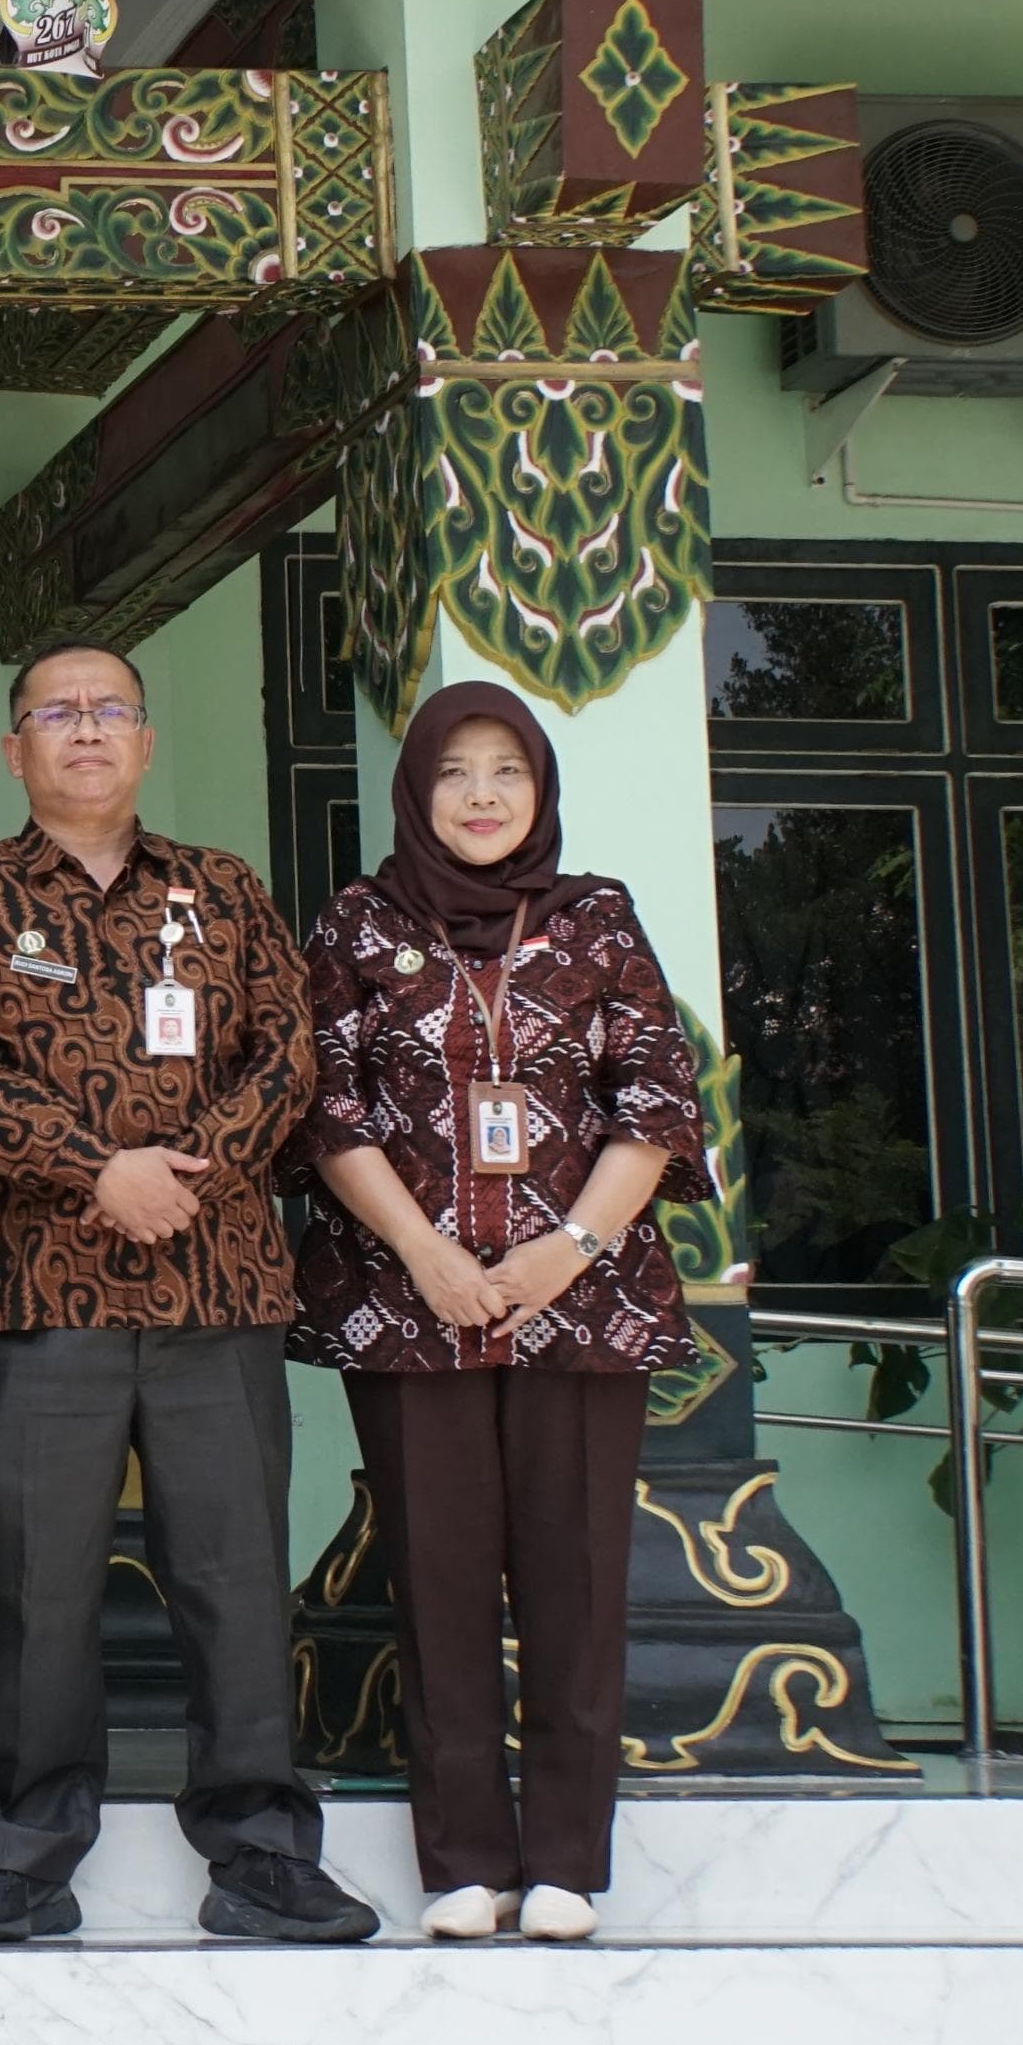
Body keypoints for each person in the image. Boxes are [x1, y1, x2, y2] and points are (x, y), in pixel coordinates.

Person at [0, 640, 373, 1946]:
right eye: (57, 713)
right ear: (16, 751)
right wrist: (95, 1171)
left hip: (214, 1283)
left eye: (111, 710)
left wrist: (189, 1173)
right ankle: (27, 1853)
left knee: (235, 1574)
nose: (87, 730)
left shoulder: (223, 893)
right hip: (38, 1292)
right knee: (37, 1586)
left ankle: (262, 1849)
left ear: (147, 741)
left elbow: (289, 1056)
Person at [291, 680, 713, 1945]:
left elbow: (654, 1098)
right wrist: (423, 1253)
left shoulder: (595, 920)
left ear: (538, 789)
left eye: (505, 772)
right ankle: (462, 1860)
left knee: (574, 1583)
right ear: (414, 791)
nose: (479, 797)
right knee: (437, 1579)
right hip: (409, 1301)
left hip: (581, 1306)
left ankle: (567, 1866)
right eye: (452, 774)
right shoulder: (358, 925)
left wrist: (568, 1250)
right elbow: (326, 1109)